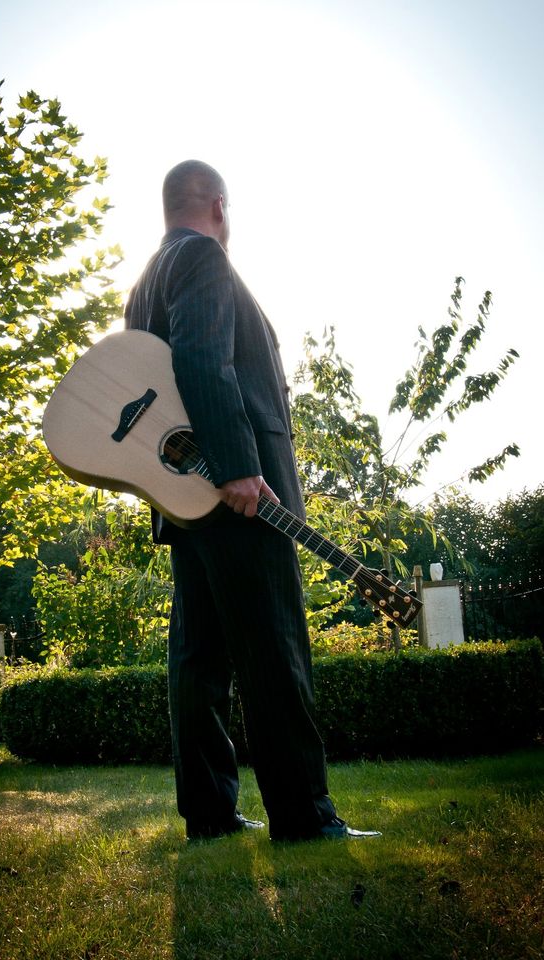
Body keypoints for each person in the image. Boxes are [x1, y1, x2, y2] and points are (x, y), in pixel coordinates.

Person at [125, 160, 380, 842]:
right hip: (238, 490)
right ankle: (304, 815)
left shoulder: (145, 280)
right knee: (273, 644)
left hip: (182, 497)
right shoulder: (203, 257)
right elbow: (206, 361)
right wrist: (239, 467)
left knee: (199, 657)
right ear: (217, 204)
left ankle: (209, 815)